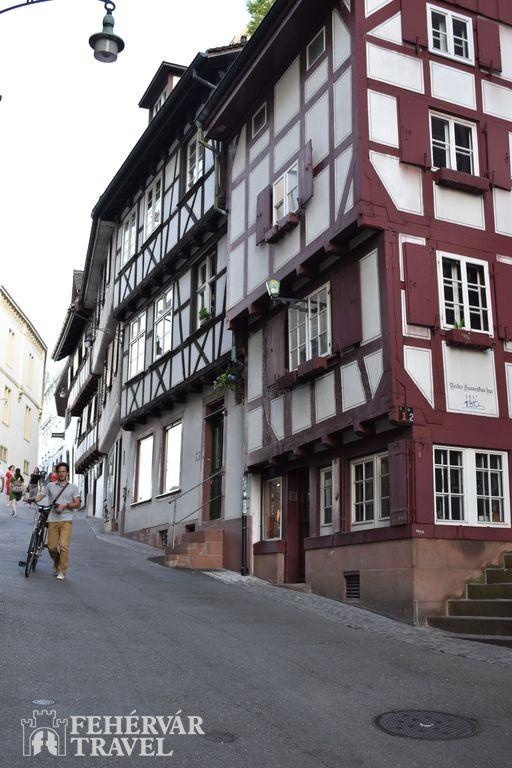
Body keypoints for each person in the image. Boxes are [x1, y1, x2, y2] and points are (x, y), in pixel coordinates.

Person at [35, 462, 81, 581]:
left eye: (63, 471)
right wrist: (31, 499)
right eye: (59, 472)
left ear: (67, 473)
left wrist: (65, 505)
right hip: (52, 519)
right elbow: (40, 496)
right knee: (51, 547)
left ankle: (62, 570)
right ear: (57, 473)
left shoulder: (73, 487)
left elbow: (77, 504)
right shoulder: (50, 485)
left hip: (66, 520)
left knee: (64, 546)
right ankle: (57, 562)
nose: (61, 474)